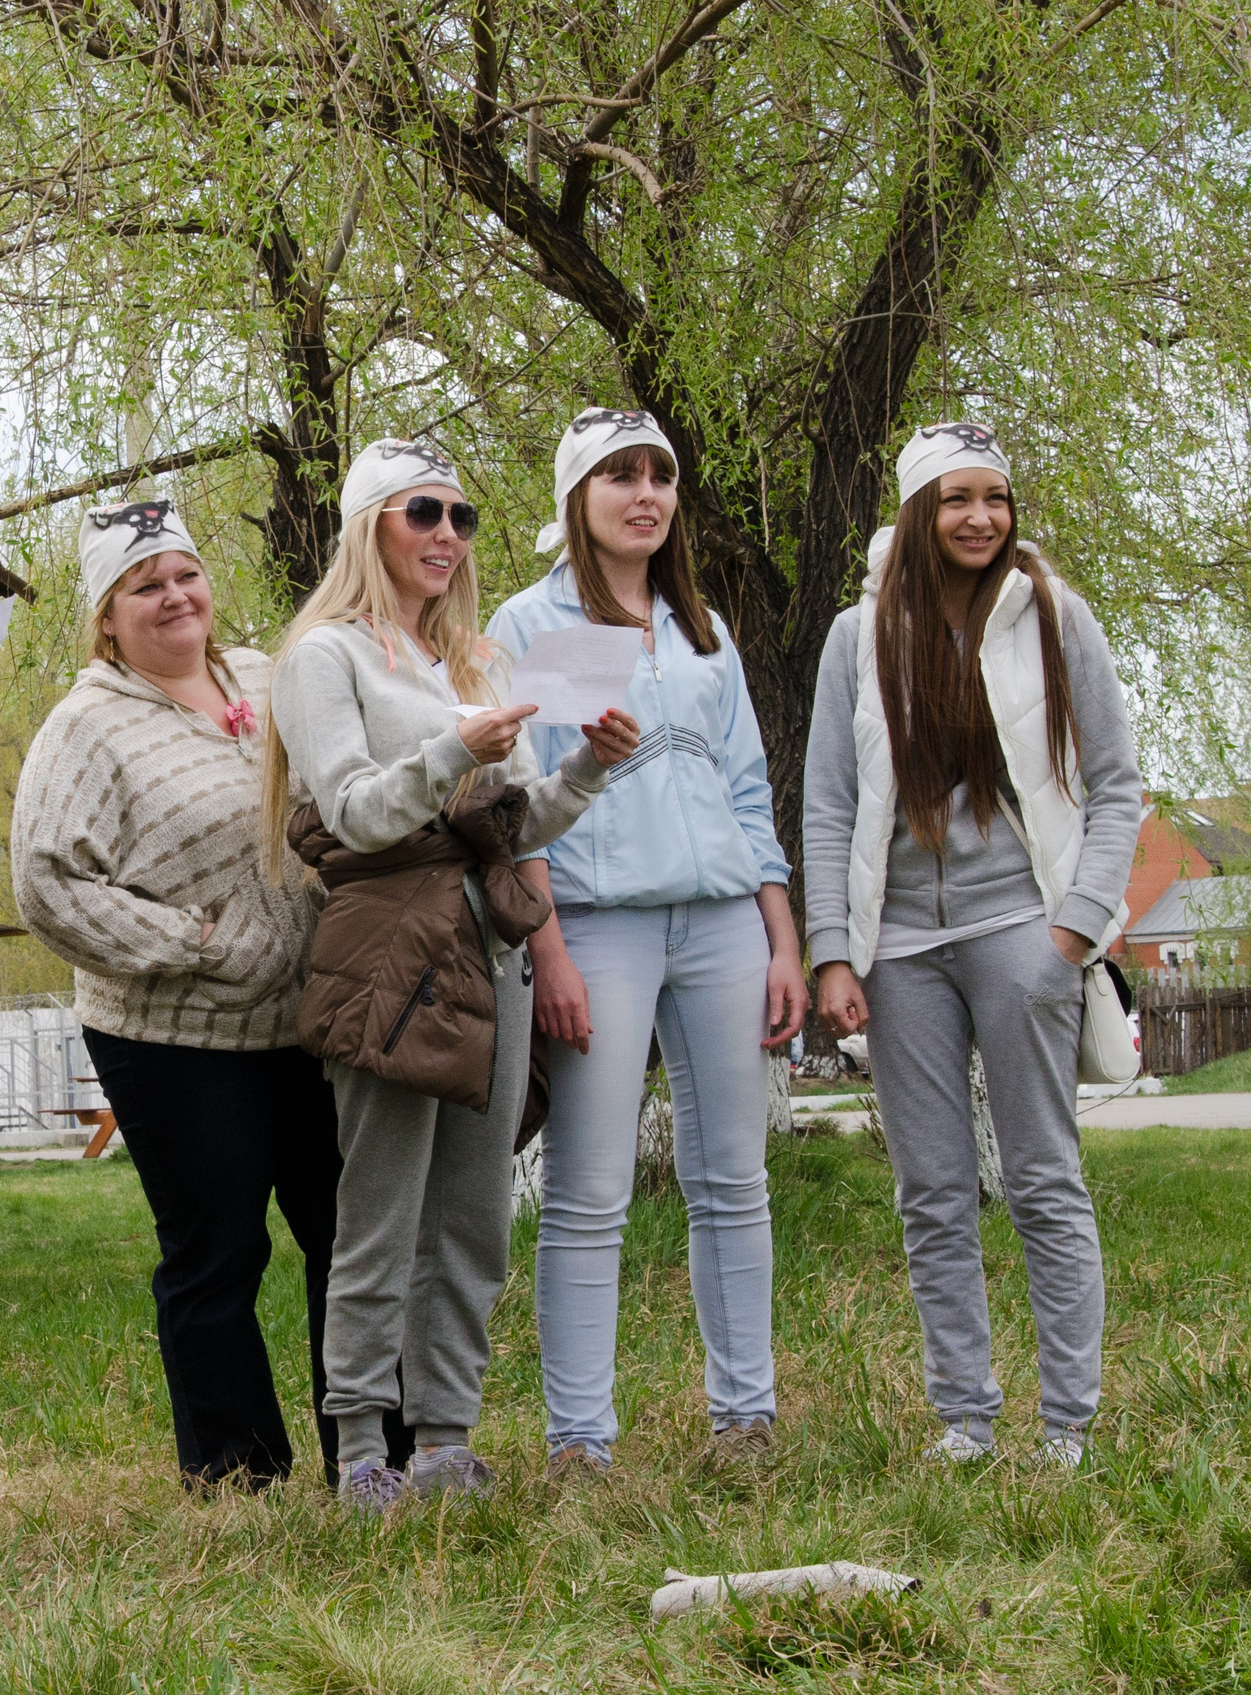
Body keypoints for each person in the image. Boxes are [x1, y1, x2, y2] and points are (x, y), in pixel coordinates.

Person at [263, 439, 640, 1515]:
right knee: (380, 1211)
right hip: (391, 955)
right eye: (421, 511)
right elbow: (353, 812)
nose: (446, 535)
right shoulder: (324, 656)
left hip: (492, 950)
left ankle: (444, 1439)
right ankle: (358, 1449)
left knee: (475, 1212)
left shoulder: (473, 660)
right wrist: (454, 750)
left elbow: (513, 827)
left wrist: (587, 768)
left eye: (461, 517)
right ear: (367, 525)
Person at [11, 499, 411, 1491]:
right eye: (144, 585)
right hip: (175, 1035)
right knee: (218, 1251)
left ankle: (371, 1453)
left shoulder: (269, 679)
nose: (174, 596)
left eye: (184, 574)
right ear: (107, 617)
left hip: (309, 1019)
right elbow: (49, 883)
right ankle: (237, 1472)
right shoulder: (87, 726)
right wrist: (192, 941)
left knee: (347, 1235)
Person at [801, 421, 1141, 1471]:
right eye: (956, 499)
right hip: (899, 945)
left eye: (995, 497)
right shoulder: (858, 637)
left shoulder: (1052, 616)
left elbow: (1117, 784)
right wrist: (832, 950)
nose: (980, 517)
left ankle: (1068, 1424)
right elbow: (827, 802)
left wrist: (1073, 930)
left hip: (1019, 930)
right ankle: (964, 1418)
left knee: (1043, 1180)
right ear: (918, 512)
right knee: (933, 1193)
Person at [485, 409, 806, 1480]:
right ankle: (580, 1441)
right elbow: (520, 804)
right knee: (588, 1193)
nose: (644, 495)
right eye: (619, 476)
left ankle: (746, 1418)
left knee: (734, 1179)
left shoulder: (699, 629)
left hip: (720, 924)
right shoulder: (529, 624)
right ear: (576, 497)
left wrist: (781, 939)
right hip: (598, 925)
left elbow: (749, 789)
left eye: (658, 476)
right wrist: (551, 951)